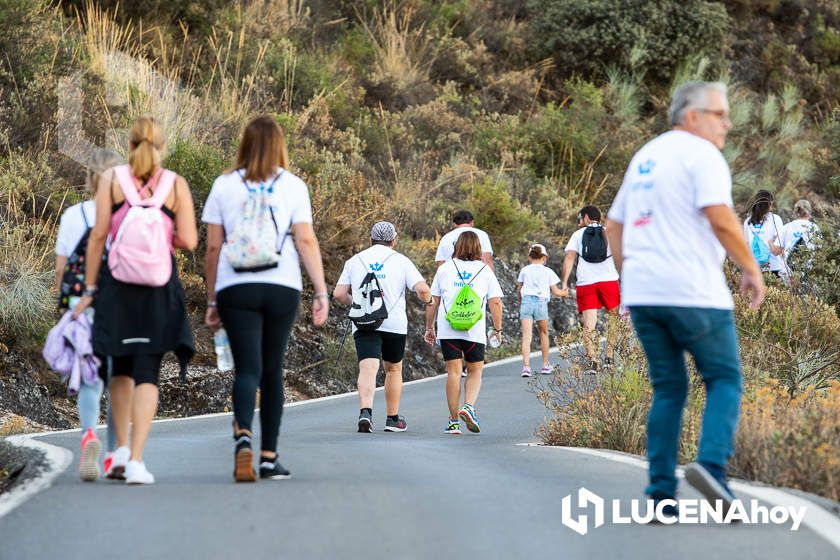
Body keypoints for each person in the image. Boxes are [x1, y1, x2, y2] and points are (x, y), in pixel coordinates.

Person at [605, 81, 766, 514]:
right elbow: (720, 216)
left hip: (644, 293)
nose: (727, 123)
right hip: (694, 290)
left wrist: (631, 275)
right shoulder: (703, 155)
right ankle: (711, 466)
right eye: (719, 114)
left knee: (669, 389)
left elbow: (613, 225)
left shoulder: (647, 155)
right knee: (724, 378)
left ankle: (660, 494)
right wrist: (750, 267)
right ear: (691, 116)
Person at [203, 115, 328, 482]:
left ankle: (243, 436)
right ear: (279, 146)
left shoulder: (224, 185)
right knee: (272, 371)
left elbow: (213, 247)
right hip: (281, 284)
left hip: (235, 285)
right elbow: (305, 240)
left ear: (244, 143)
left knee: (247, 369)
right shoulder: (293, 186)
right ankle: (270, 458)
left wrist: (212, 299)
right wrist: (320, 290)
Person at [73, 116, 198, 485]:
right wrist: (161, 236)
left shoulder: (111, 180)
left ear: (129, 145)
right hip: (158, 289)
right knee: (148, 373)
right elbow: (189, 240)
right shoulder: (175, 184)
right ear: (161, 146)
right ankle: (138, 461)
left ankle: (121, 449)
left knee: (121, 368)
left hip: (117, 288)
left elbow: (98, 237)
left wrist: (90, 290)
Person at [55, 148, 122, 481]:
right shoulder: (125, 214)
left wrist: (66, 309)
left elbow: (61, 272)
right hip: (119, 307)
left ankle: (88, 437)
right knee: (119, 382)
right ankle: (112, 456)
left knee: (90, 381)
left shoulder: (72, 216)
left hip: (83, 308)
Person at [333, 221, 431, 433]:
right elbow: (422, 290)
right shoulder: (401, 261)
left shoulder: (355, 260)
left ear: (371, 239)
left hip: (364, 321)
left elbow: (339, 294)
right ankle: (393, 419)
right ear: (393, 241)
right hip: (394, 324)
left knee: (368, 368)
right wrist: (430, 300)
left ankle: (365, 413)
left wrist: (358, 304)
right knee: (393, 369)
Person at [424, 231, 503, 435]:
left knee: (453, 373)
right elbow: (495, 302)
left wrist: (429, 327)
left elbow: (433, 301)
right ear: (478, 248)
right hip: (474, 330)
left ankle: (452, 422)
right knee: (475, 371)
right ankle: (468, 406)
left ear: (456, 246)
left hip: (449, 329)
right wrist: (497, 329)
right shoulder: (484, 270)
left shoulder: (445, 269)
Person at [561, 206, 621, 370]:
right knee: (614, 319)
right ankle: (609, 357)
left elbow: (570, 257)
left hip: (586, 282)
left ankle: (594, 361)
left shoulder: (577, 235)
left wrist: (564, 283)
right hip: (609, 280)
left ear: (587, 217)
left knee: (589, 324)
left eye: (580, 218)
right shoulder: (608, 232)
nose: (580, 221)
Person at [516, 243, 567, 377]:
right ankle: (545, 365)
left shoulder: (525, 270)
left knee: (526, 336)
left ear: (529, 257)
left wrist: (521, 301)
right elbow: (556, 291)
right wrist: (565, 293)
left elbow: (519, 289)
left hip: (526, 302)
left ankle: (526, 367)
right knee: (543, 333)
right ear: (544, 257)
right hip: (540, 303)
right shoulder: (548, 271)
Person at [743, 189, 786, 277]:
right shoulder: (775, 219)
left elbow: (746, 246)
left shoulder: (748, 222)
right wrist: (770, 242)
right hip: (774, 267)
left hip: (754, 269)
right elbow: (778, 249)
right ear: (769, 203)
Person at [780, 199, 820, 276]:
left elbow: (777, 249)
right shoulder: (815, 227)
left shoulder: (787, 227)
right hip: (810, 273)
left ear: (795, 212)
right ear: (809, 212)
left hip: (788, 272)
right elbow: (819, 249)